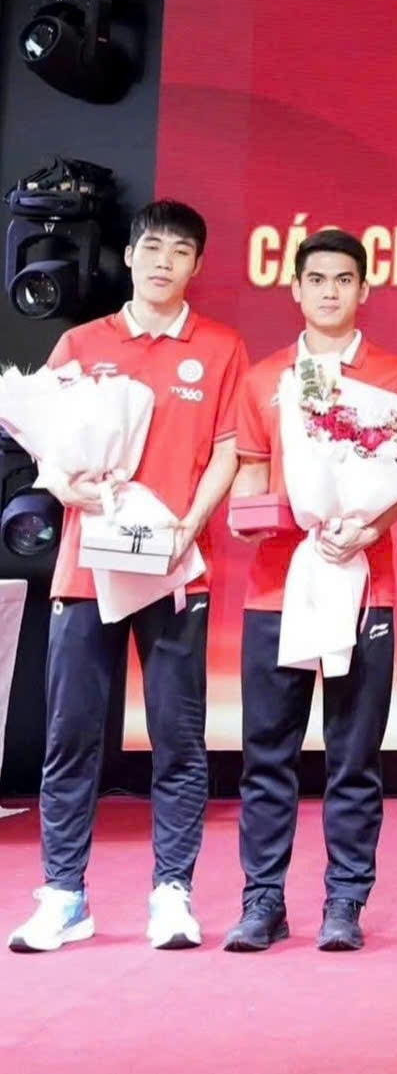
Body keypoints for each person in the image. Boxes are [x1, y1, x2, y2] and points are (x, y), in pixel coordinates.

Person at [9, 200, 245, 953]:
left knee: (178, 738)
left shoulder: (221, 347)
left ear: (197, 265)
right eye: (152, 247)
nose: (163, 261)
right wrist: (64, 483)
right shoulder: (81, 343)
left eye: (180, 251)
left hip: (174, 567)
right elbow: (41, 441)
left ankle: (172, 892)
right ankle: (64, 894)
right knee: (70, 735)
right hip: (86, 569)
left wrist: (189, 524)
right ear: (132, 255)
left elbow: (229, 449)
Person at [221, 229, 397, 953]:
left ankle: (345, 901)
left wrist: (368, 527)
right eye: (317, 279)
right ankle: (262, 900)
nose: (330, 291)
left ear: (364, 289)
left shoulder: (396, 376)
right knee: (267, 753)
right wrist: (249, 518)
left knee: (354, 756)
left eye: (343, 279)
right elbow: (250, 474)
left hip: (366, 583)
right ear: (295, 289)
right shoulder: (264, 378)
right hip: (278, 587)